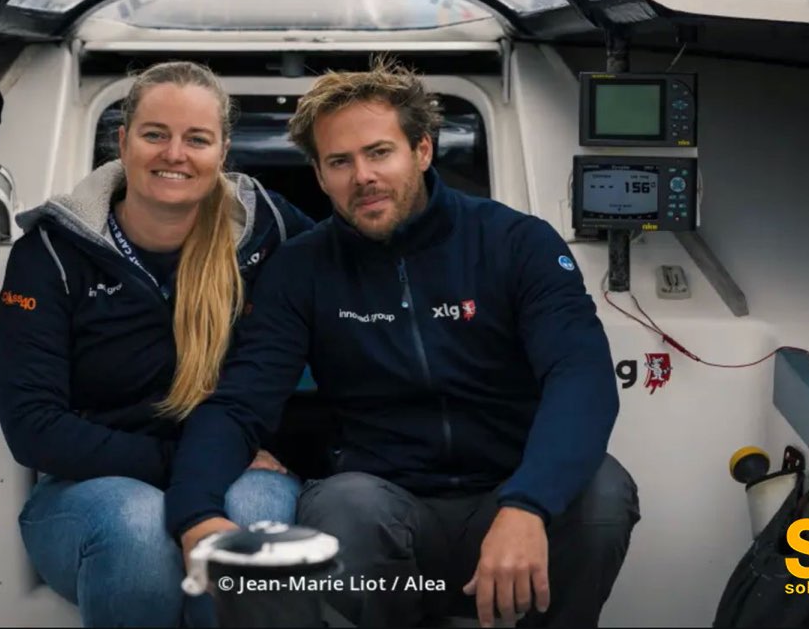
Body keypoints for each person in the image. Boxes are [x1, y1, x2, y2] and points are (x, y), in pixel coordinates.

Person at [166, 58, 640, 628]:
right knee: (346, 504)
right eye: (339, 162)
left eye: (379, 152)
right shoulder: (303, 269)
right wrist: (195, 513)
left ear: (422, 149)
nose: (362, 176)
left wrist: (528, 504)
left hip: (507, 500)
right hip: (388, 516)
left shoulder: (516, 243)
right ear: (319, 176)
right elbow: (241, 403)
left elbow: (580, 376)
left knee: (602, 493)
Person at [0, 61, 312, 628]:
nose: (175, 154)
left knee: (255, 514)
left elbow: (362, 273)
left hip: (239, 470)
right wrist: (184, 470)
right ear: (122, 140)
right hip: (89, 492)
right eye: (155, 134)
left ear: (222, 151)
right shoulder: (51, 254)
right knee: (140, 525)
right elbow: (33, 427)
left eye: (197, 139)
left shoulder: (270, 231)